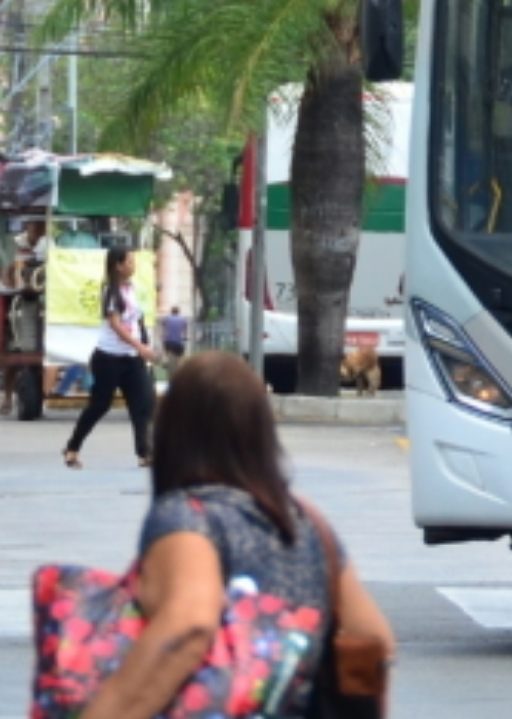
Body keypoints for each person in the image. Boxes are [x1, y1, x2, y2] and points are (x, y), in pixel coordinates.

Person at [76, 352, 392, 718]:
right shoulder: (306, 522)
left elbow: (189, 628)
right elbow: (373, 639)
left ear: (172, 431)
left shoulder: (187, 517)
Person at [63, 247, 158, 469]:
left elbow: (137, 321)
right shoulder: (111, 292)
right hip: (109, 359)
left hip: (132, 359)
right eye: (129, 261)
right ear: (118, 265)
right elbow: (115, 325)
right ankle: (72, 447)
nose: (133, 265)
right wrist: (139, 346)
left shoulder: (132, 289)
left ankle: (145, 452)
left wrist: (144, 346)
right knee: (99, 405)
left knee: (143, 403)